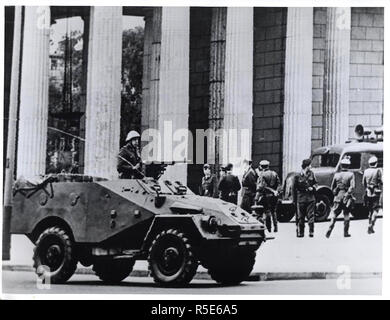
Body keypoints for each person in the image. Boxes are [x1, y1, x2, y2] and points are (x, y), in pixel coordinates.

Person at [325, 158, 355, 238]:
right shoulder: (351, 174)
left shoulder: (336, 175)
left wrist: (336, 193)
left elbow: (332, 188)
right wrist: (347, 194)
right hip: (346, 197)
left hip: (337, 197)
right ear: (348, 166)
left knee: (334, 214)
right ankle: (346, 233)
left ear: (341, 166)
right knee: (346, 214)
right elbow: (352, 187)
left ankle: (329, 229)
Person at [292, 158, 318, 238]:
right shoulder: (297, 175)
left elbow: (316, 183)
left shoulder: (312, 174)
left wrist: (313, 188)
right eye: (310, 165)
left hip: (310, 198)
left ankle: (311, 232)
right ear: (307, 166)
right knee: (300, 217)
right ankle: (301, 232)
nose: (311, 166)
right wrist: (294, 200)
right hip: (301, 198)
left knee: (311, 216)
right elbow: (294, 188)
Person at [254, 160, 280, 232]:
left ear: (260, 166)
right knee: (274, 211)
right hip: (274, 196)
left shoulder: (262, 175)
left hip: (266, 195)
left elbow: (262, 186)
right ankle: (276, 227)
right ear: (268, 166)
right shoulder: (274, 173)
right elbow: (278, 184)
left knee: (267, 211)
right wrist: (276, 191)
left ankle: (269, 228)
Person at [363, 156, 383, 234]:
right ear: (376, 163)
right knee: (376, 209)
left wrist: (367, 188)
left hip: (368, 192)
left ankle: (369, 225)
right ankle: (371, 225)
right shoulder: (378, 170)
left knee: (370, 210)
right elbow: (381, 181)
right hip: (376, 192)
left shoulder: (366, 171)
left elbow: (363, 183)